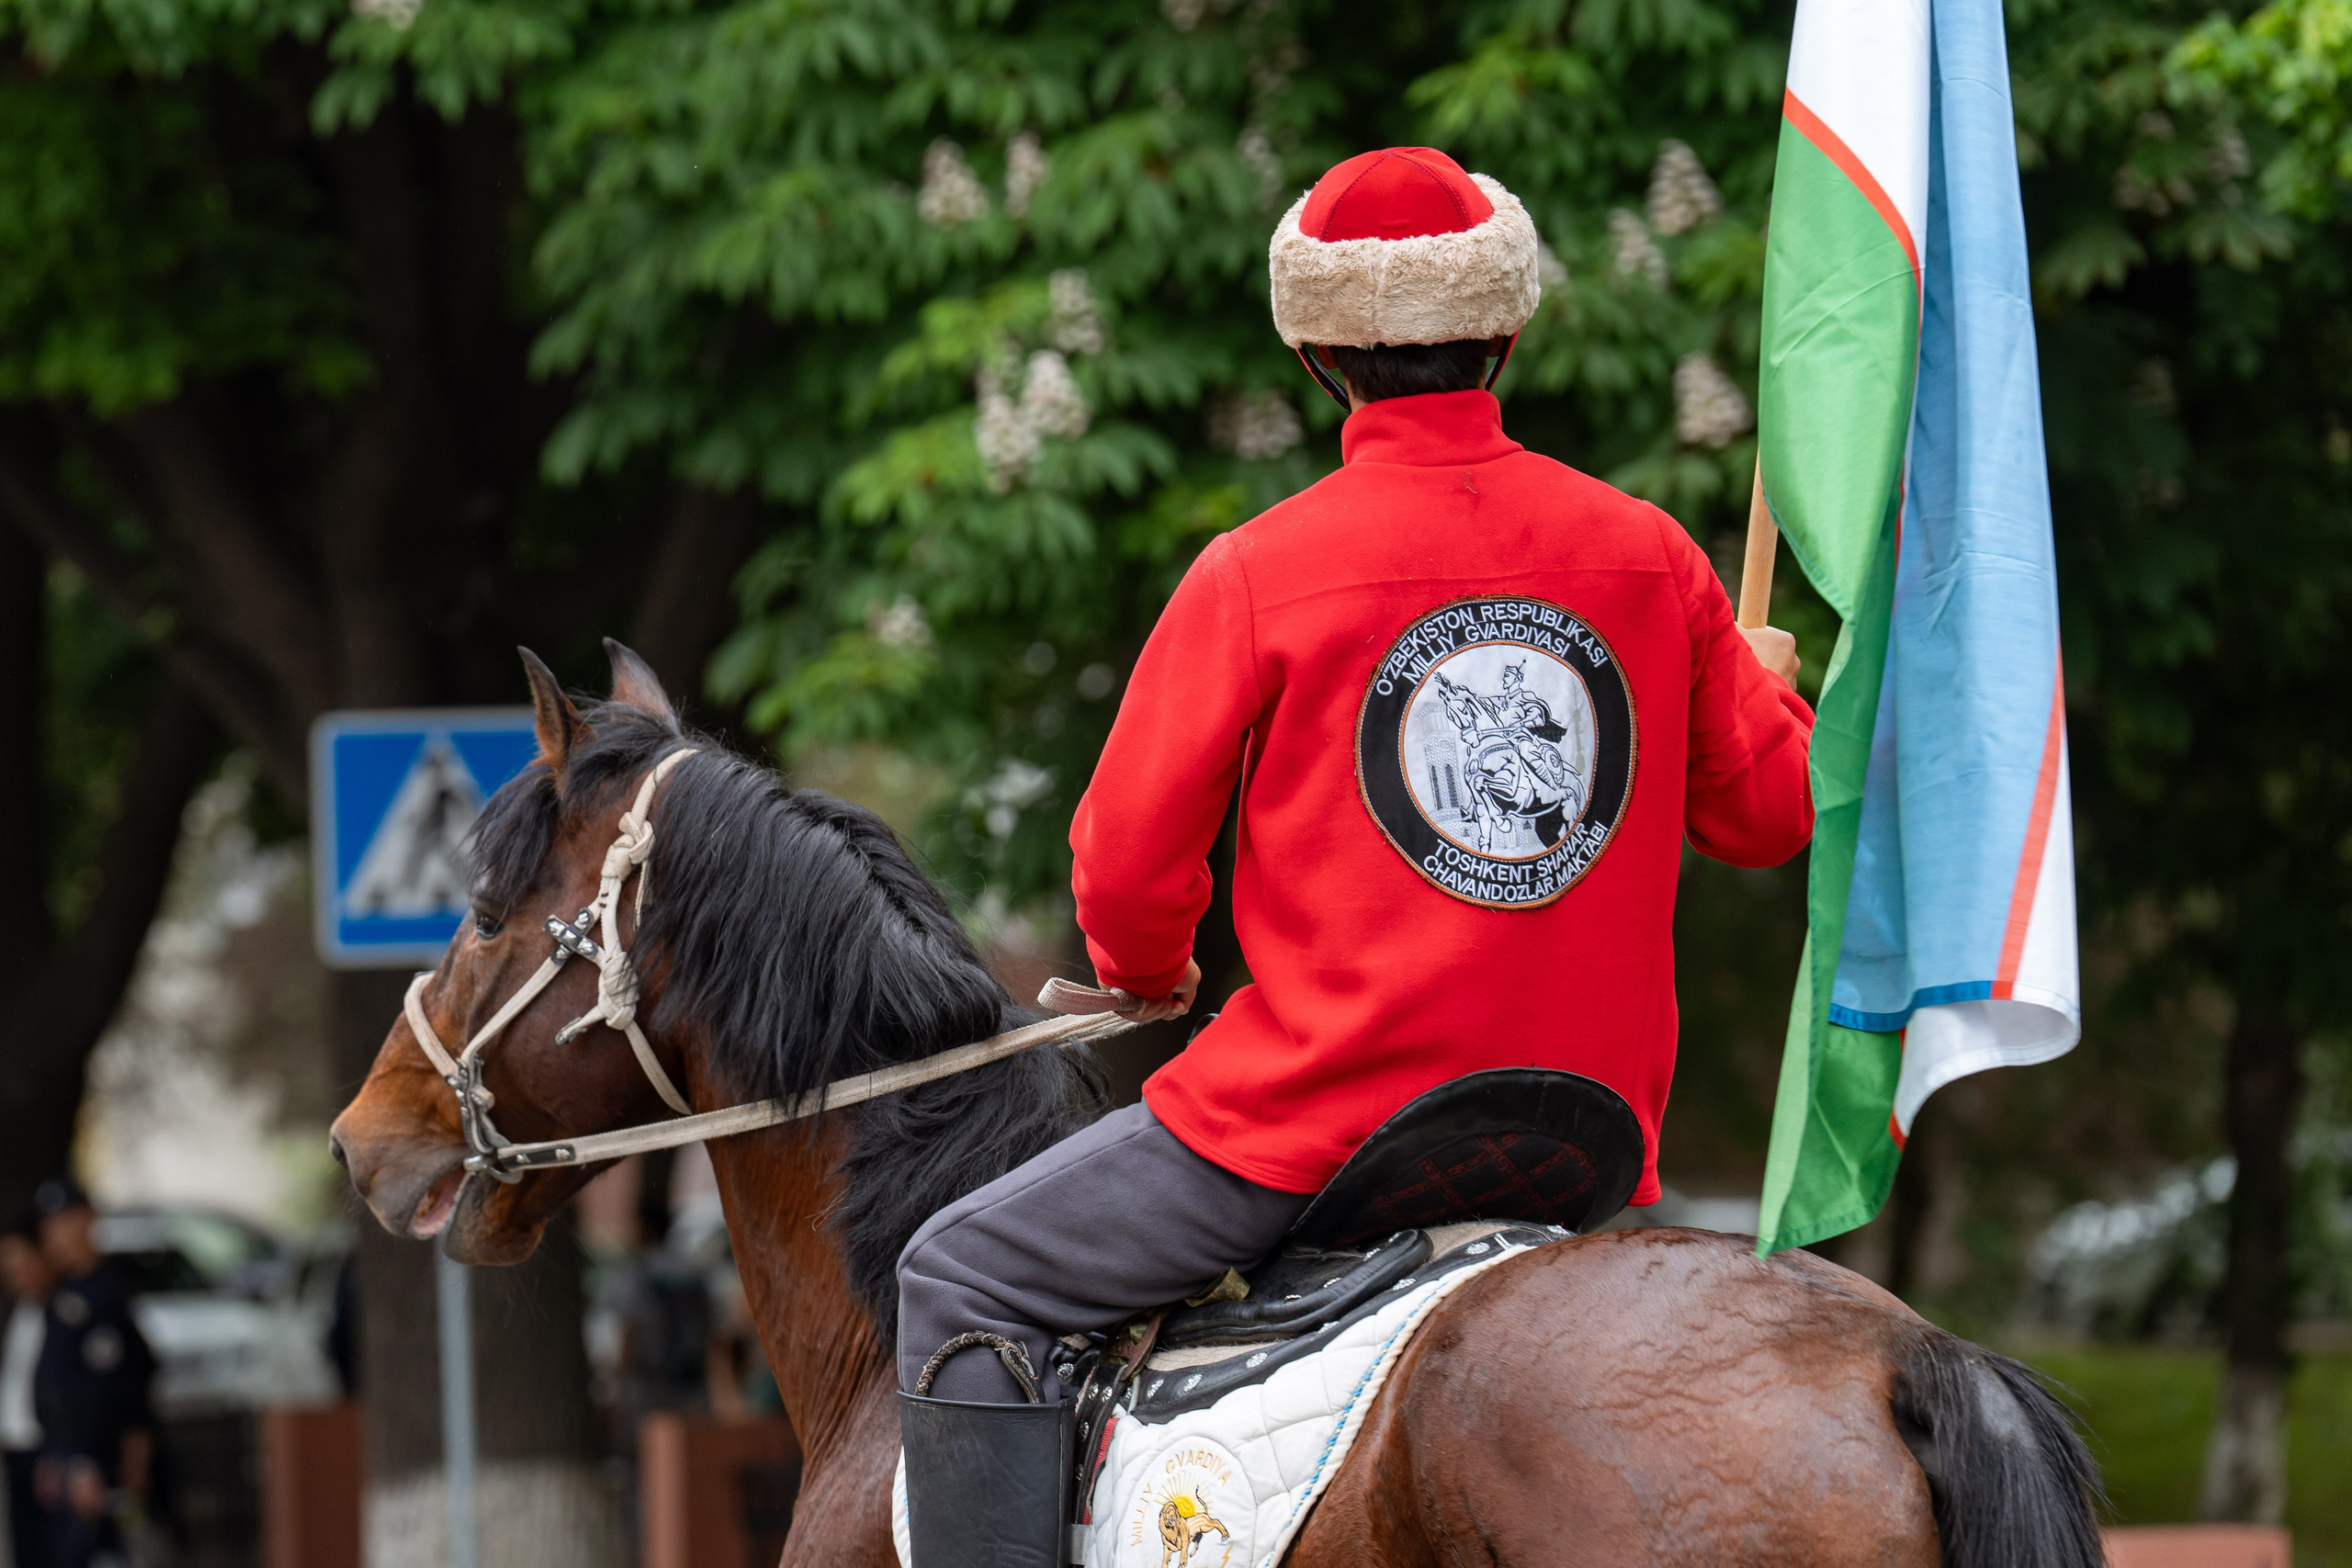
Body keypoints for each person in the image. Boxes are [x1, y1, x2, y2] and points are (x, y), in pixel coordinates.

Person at [894, 146, 1815, 1562]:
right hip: (1579, 1135)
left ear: (1317, 354)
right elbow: (1770, 814)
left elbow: (1125, 869)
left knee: (961, 1269)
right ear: (1509, 332)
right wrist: (1768, 687)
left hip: (1318, 1131)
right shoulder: (1647, 552)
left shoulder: (1255, 568)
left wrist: (1149, 969)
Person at [30, 1180, 154, 1568]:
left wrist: (88, 1459)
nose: (57, 1234)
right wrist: (57, 1452)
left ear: (88, 1219)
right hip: (68, 1463)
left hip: (101, 1467)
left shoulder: (108, 1294)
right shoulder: (60, 1294)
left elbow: (119, 1388)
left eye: (66, 1220)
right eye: (50, 1224)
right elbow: (56, 1384)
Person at [1, 1220, 54, 1568]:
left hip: (47, 1452)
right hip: (15, 1448)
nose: (14, 1272)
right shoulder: (16, 1312)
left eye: (20, 1260)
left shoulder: (64, 1311)